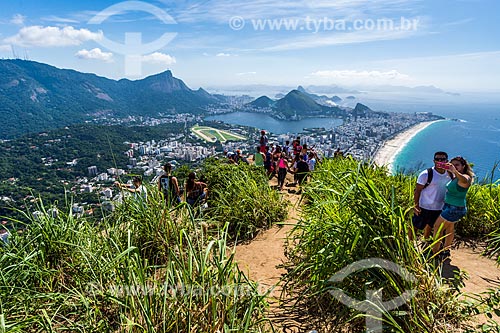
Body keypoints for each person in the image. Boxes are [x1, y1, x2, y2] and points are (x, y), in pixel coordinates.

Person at [432, 156, 474, 258]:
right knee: (449, 229)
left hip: (454, 208)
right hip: (452, 207)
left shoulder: (465, 177)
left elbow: (465, 180)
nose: (455, 167)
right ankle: (445, 251)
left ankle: (434, 253)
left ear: (463, 166)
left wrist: (455, 171)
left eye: (457, 165)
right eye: (453, 165)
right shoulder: (455, 177)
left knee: (438, 228)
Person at [410, 151, 452, 242]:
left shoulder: (450, 174)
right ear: (434, 161)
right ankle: (409, 243)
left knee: (430, 225)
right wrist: (416, 206)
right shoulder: (426, 174)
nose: (440, 161)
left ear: (447, 161)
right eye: (437, 159)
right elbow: (417, 191)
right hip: (423, 206)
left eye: (443, 159)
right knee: (416, 225)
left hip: (439, 207)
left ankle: (425, 242)